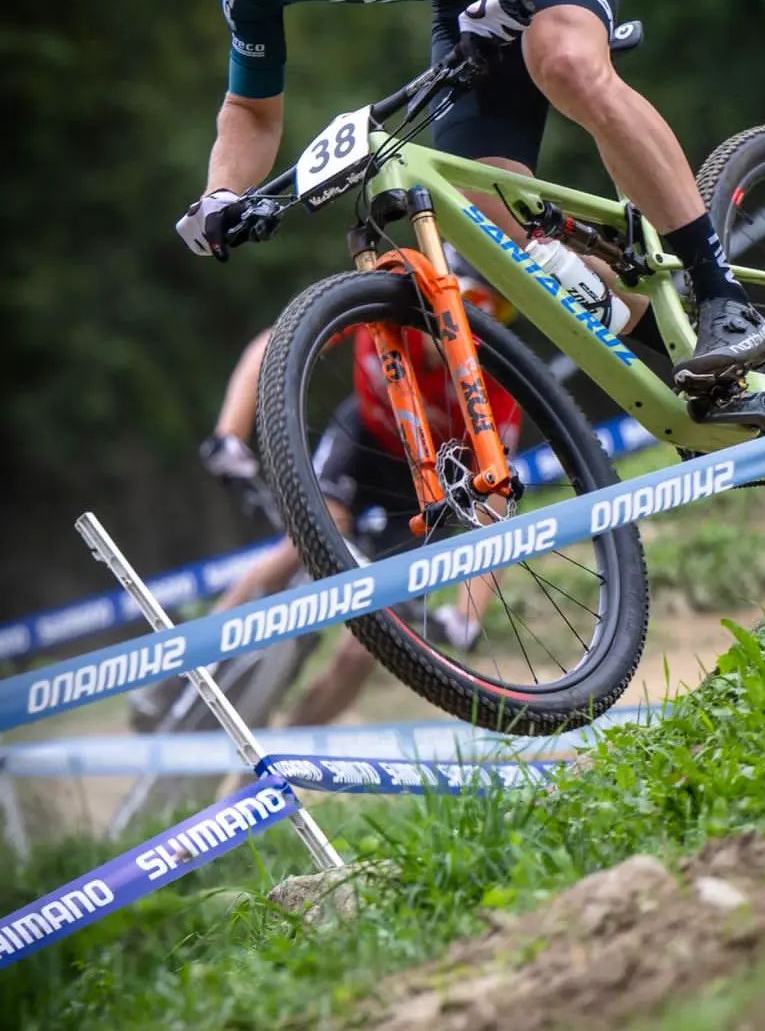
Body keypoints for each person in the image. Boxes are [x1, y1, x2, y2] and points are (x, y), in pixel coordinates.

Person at [128, 0, 765, 387]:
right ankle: (697, 365)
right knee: (481, 210)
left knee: (563, 61)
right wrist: (221, 193)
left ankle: (723, 297)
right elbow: (251, 109)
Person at [129, 262, 523, 731]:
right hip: (362, 444)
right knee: (302, 546)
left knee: (367, 650)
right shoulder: (389, 308)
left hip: (425, 488)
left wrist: (466, 615)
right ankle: (177, 671)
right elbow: (275, 344)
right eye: (471, 305)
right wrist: (229, 434)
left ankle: (288, 751)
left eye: (496, 314)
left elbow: (494, 506)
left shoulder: (492, 385)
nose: (475, 328)